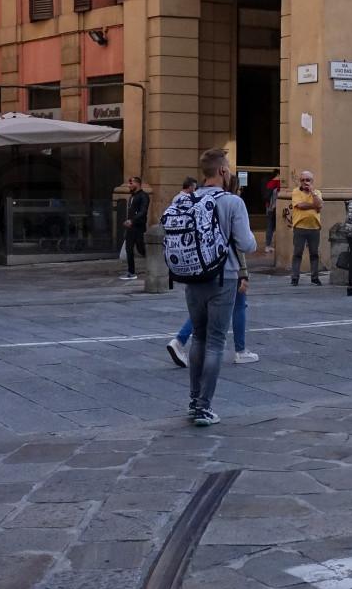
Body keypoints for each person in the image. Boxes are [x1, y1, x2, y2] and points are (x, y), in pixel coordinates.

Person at [164, 146, 256, 425]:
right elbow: (247, 244)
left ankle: (194, 401)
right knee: (216, 342)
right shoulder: (232, 202)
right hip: (223, 276)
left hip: (192, 276)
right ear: (223, 171)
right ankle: (204, 407)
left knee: (199, 338)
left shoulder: (187, 198)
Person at [289, 171, 324, 285]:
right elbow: (300, 205)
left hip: (314, 227)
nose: (305, 182)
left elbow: (319, 204)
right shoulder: (296, 191)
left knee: (314, 254)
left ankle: (315, 278)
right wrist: (314, 206)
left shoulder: (317, 192)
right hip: (300, 227)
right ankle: (295, 278)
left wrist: (313, 193)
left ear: (312, 181)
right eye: (302, 180)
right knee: (297, 253)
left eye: (307, 180)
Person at [120, 174, 151, 281]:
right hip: (131, 227)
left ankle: (156, 263)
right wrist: (129, 221)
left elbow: (143, 211)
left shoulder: (143, 196)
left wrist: (132, 220)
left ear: (137, 184)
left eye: (131, 183)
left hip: (139, 227)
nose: (129, 185)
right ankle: (131, 272)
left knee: (141, 249)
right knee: (128, 248)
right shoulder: (132, 196)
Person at [264, 168, 281, 250]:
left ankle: (268, 245)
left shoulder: (269, 183)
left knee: (269, 226)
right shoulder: (279, 183)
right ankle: (278, 245)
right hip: (276, 207)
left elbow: (266, 196)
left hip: (269, 208)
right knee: (278, 226)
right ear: (278, 174)